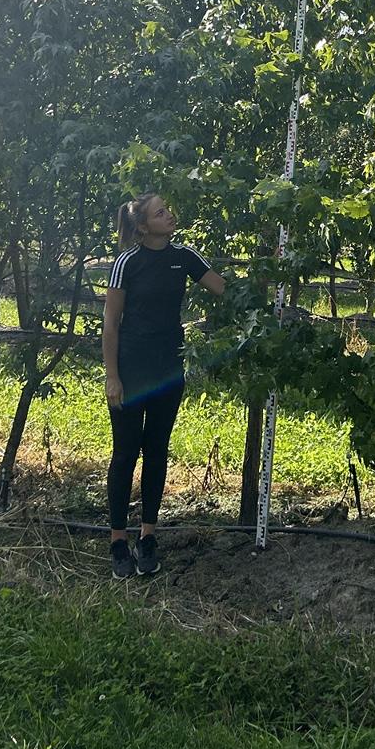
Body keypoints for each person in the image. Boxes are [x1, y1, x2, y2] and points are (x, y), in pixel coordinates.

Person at [103, 191, 225, 579]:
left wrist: (269, 273)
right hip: (131, 372)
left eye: (168, 209)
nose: (169, 215)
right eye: (160, 213)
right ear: (142, 227)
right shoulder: (126, 264)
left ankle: (148, 536)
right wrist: (112, 375)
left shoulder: (184, 257)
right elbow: (110, 323)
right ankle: (118, 541)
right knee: (125, 454)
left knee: (157, 451)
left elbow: (226, 289)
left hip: (168, 372)